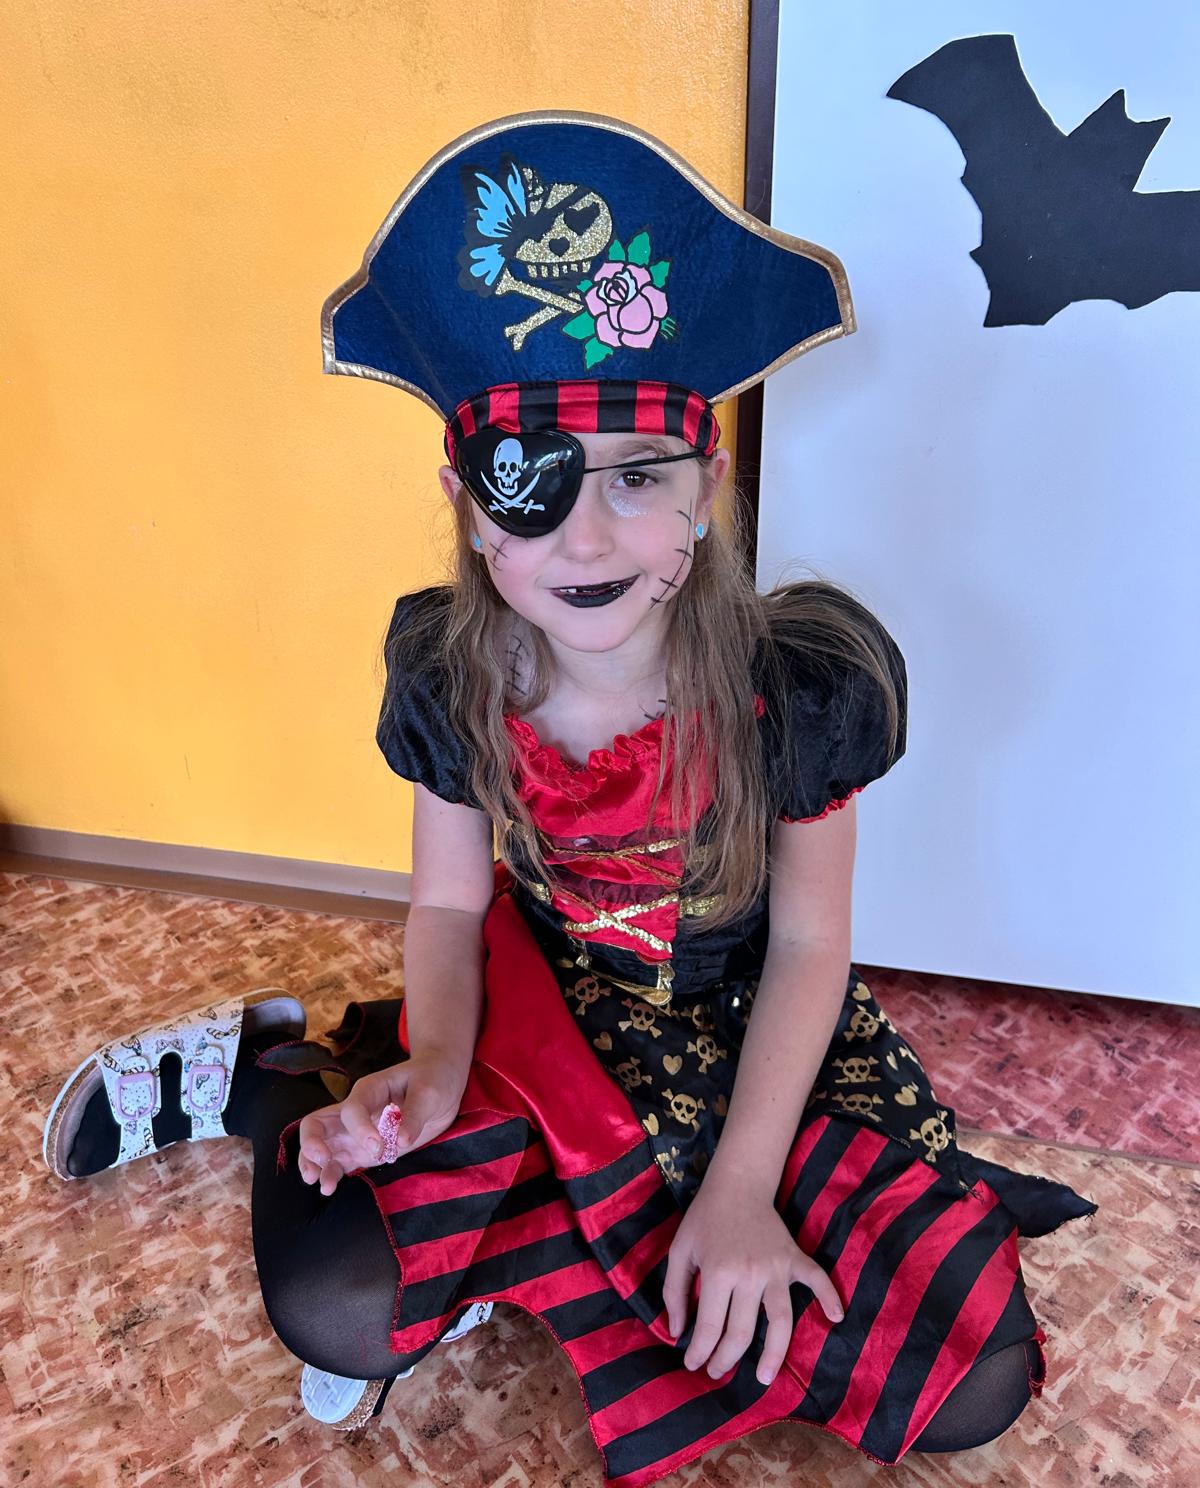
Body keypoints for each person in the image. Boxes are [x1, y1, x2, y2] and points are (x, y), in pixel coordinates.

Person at [43, 113, 1098, 1484]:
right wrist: (434, 1068)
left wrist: (741, 1194)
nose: (587, 538)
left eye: (639, 478)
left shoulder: (798, 690)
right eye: (533, 484)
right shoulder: (453, 676)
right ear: (470, 502)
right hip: (546, 1021)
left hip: (749, 1031)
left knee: (970, 1378)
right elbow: (446, 907)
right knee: (342, 1309)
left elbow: (810, 945)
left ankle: (549, 1235)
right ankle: (271, 1075)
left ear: (707, 487)